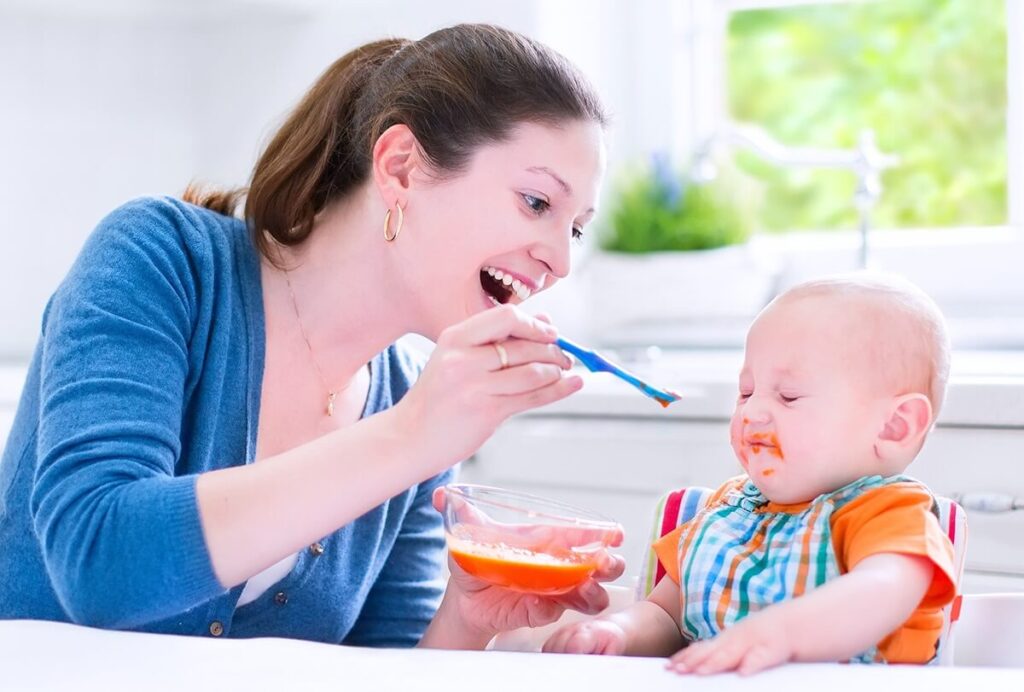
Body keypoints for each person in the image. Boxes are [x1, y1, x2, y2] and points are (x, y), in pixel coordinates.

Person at [0, 23, 625, 648]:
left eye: (575, 229)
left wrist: (466, 620)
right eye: (538, 202)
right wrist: (408, 437)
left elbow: (383, 670)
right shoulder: (164, 260)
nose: (560, 263)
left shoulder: (414, 401)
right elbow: (98, 562)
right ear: (401, 167)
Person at [543, 273, 958, 672]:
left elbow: (882, 592)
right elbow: (666, 617)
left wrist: (779, 635)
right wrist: (617, 632)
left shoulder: (891, 513)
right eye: (746, 391)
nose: (751, 410)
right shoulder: (725, 511)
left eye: (789, 395)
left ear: (894, 426)